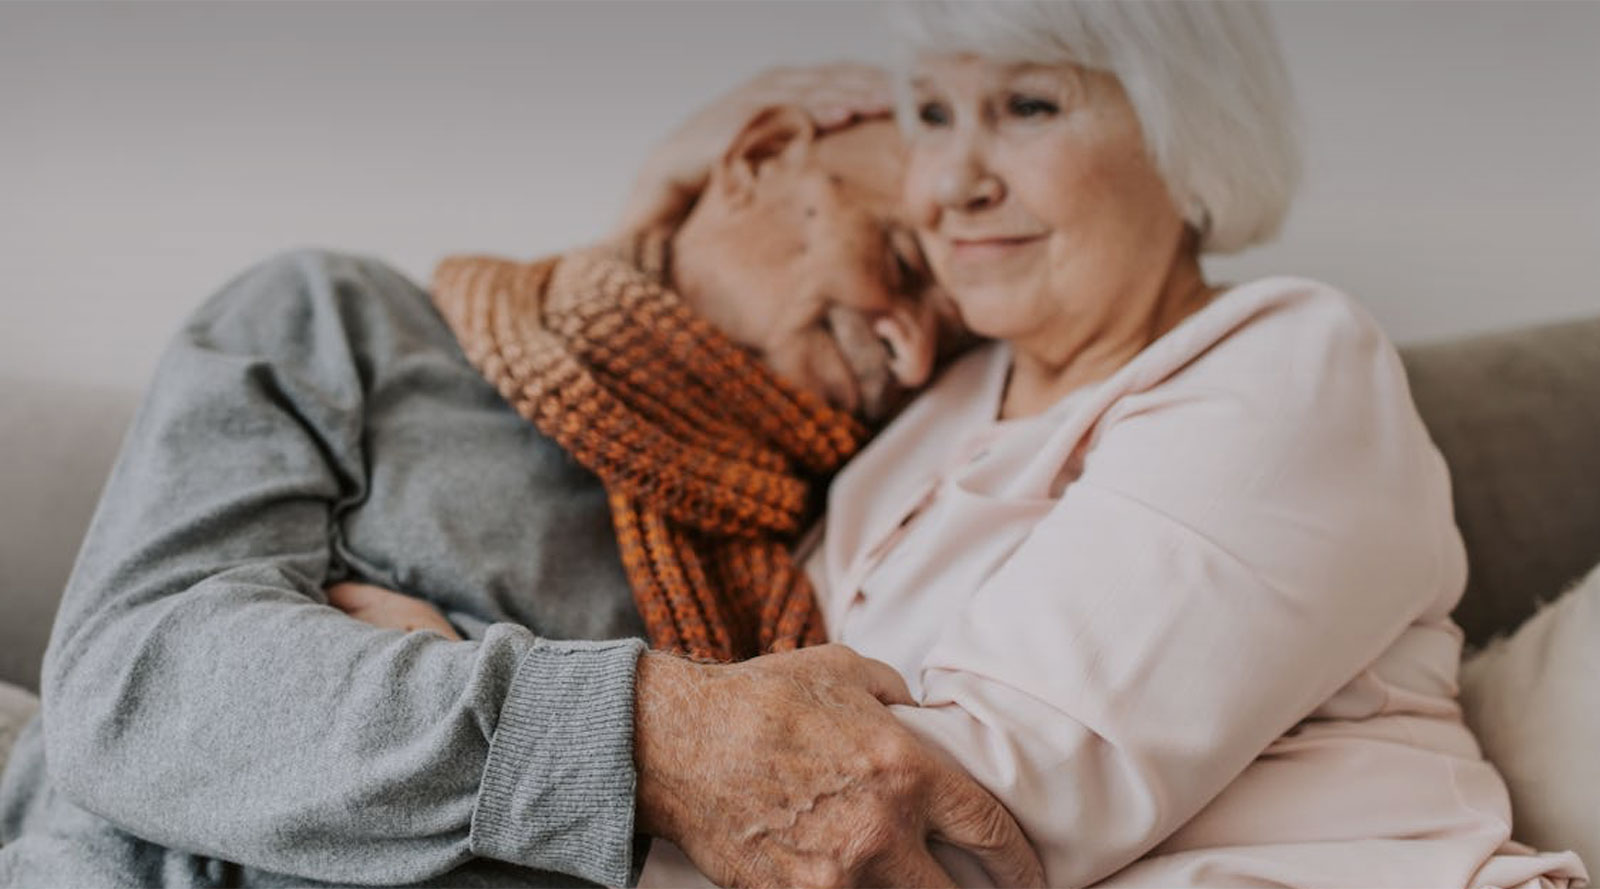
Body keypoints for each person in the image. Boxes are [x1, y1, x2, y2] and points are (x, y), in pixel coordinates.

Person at [605, 2, 1594, 887]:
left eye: (1028, 106)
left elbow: (933, 821)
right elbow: (606, 424)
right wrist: (644, 212)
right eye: (933, 115)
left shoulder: (1287, 363)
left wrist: (585, 745)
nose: (948, 185)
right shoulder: (930, 402)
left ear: (1189, 135)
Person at [0, 70, 1046, 889]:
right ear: (764, 153)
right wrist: (653, 734)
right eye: (902, 267)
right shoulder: (345, 320)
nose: (911, 357)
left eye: (948, 346)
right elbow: (140, 682)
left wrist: (382, 690)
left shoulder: (833, 541)